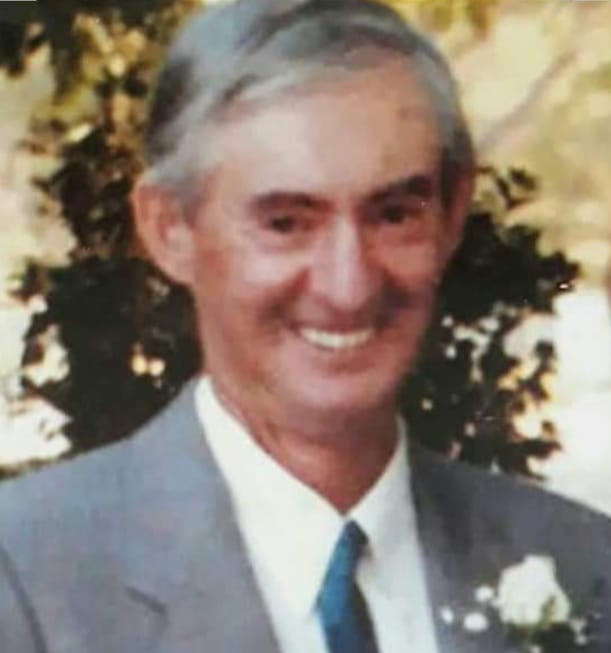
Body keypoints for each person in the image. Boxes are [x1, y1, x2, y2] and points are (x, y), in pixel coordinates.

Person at [1, 1, 611, 652]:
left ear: (452, 214)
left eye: (393, 214)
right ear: (169, 229)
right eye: (286, 223)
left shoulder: (583, 565)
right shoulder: (28, 578)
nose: (348, 287)